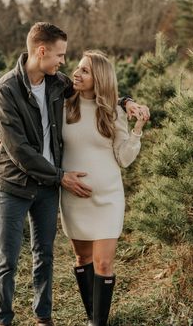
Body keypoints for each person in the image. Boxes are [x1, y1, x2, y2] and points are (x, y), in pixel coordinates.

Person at [0, 22, 148, 326]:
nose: (65, 63)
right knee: (7, 260)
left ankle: (44, 318)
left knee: (44, 255)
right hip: (18, 183)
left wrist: (125, 102)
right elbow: (19, 147)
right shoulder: (7, 90)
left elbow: (100, 87)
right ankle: (2, 320)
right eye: (61, 55)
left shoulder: (56, 83)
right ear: (42, 51)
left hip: (51, 188)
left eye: (68, 59)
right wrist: (58, 174)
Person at [60, 50, 149, 326]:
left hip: (108, 198)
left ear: (99, 77)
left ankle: (99, 323)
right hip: (73, 198)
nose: (76, 72)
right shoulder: (63, 106)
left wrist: (137, 129)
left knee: (103, 264)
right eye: (78, 67)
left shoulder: (113, 111)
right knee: (81, 257)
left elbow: (123, 158)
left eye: (85, 70)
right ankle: (92, 318)